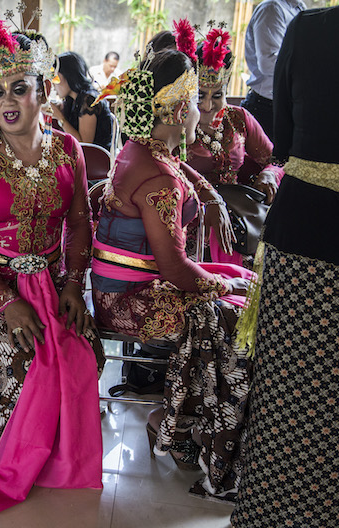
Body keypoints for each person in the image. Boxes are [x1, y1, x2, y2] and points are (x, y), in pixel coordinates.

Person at [0, 9, 103, 513]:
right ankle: (6, 444)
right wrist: (7, 302)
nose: (6, 102)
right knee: (26, 357)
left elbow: (80, 223)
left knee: (83, 349)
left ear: (44, 90)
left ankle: (55, 451)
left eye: (19, 89)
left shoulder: (69, 150)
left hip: (52, 283)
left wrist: (73, 286)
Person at [91, 47, 254, 503]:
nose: (204, 111)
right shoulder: (158, 177)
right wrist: (225, 286)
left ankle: (183, 421)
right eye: (196, 101)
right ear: (181, 111)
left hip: (123, 287)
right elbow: (176, 269)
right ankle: (178, 425)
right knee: (234, 316)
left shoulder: (139, 148)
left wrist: (209, 194)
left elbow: (179, 170)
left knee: (239, 286)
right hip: (129, 301)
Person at [230, 1, 339, 528]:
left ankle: (273, 513)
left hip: (305, 227)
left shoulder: (309, 30)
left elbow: (282, 140)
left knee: (292, 383)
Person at [185, 25, 283, 265]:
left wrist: (270, 174)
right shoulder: (181, 122)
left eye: (217, 95)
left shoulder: (238, 119)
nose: (208, 106)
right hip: (188, 221)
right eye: (200, 96)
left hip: (236, 219)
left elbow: (277, 160)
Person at [241, 0, 305, 141]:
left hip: (283, 105)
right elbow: (268, 63)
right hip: (266, 107)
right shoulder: (272, 9)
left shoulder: (298, 7)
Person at [52, 51, 113, 149]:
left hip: (96, 157)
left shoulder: (89, 100)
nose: (53, 84)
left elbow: (84, 145)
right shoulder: (73, 100)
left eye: (55, 78)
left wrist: (60, 117)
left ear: (69, 76)